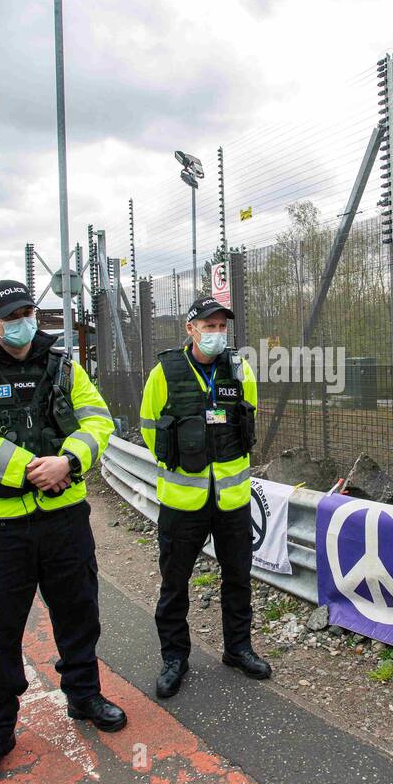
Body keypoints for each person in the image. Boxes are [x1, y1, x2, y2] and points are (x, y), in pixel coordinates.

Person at [0, 279, 123, 784]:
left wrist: (69, 459)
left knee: (79, 612)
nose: (22, 321)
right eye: (11, 314)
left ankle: (84, 696)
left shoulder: (64, 366)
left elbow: (98, 421)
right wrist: (26, 468)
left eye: (29, 312)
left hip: (63, 520)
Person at [139, 297, 270, 699]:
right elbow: (148, 427)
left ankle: (238, 648)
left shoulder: (239, 368)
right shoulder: (165, 371)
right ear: (190, 328)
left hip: (232, 500)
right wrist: (184, 458)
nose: (216, 333)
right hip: (183, 502)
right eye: (208, 326)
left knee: (237, 578)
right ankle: (175, 658)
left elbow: (248, 416)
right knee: (175, 583)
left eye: (220, 326)